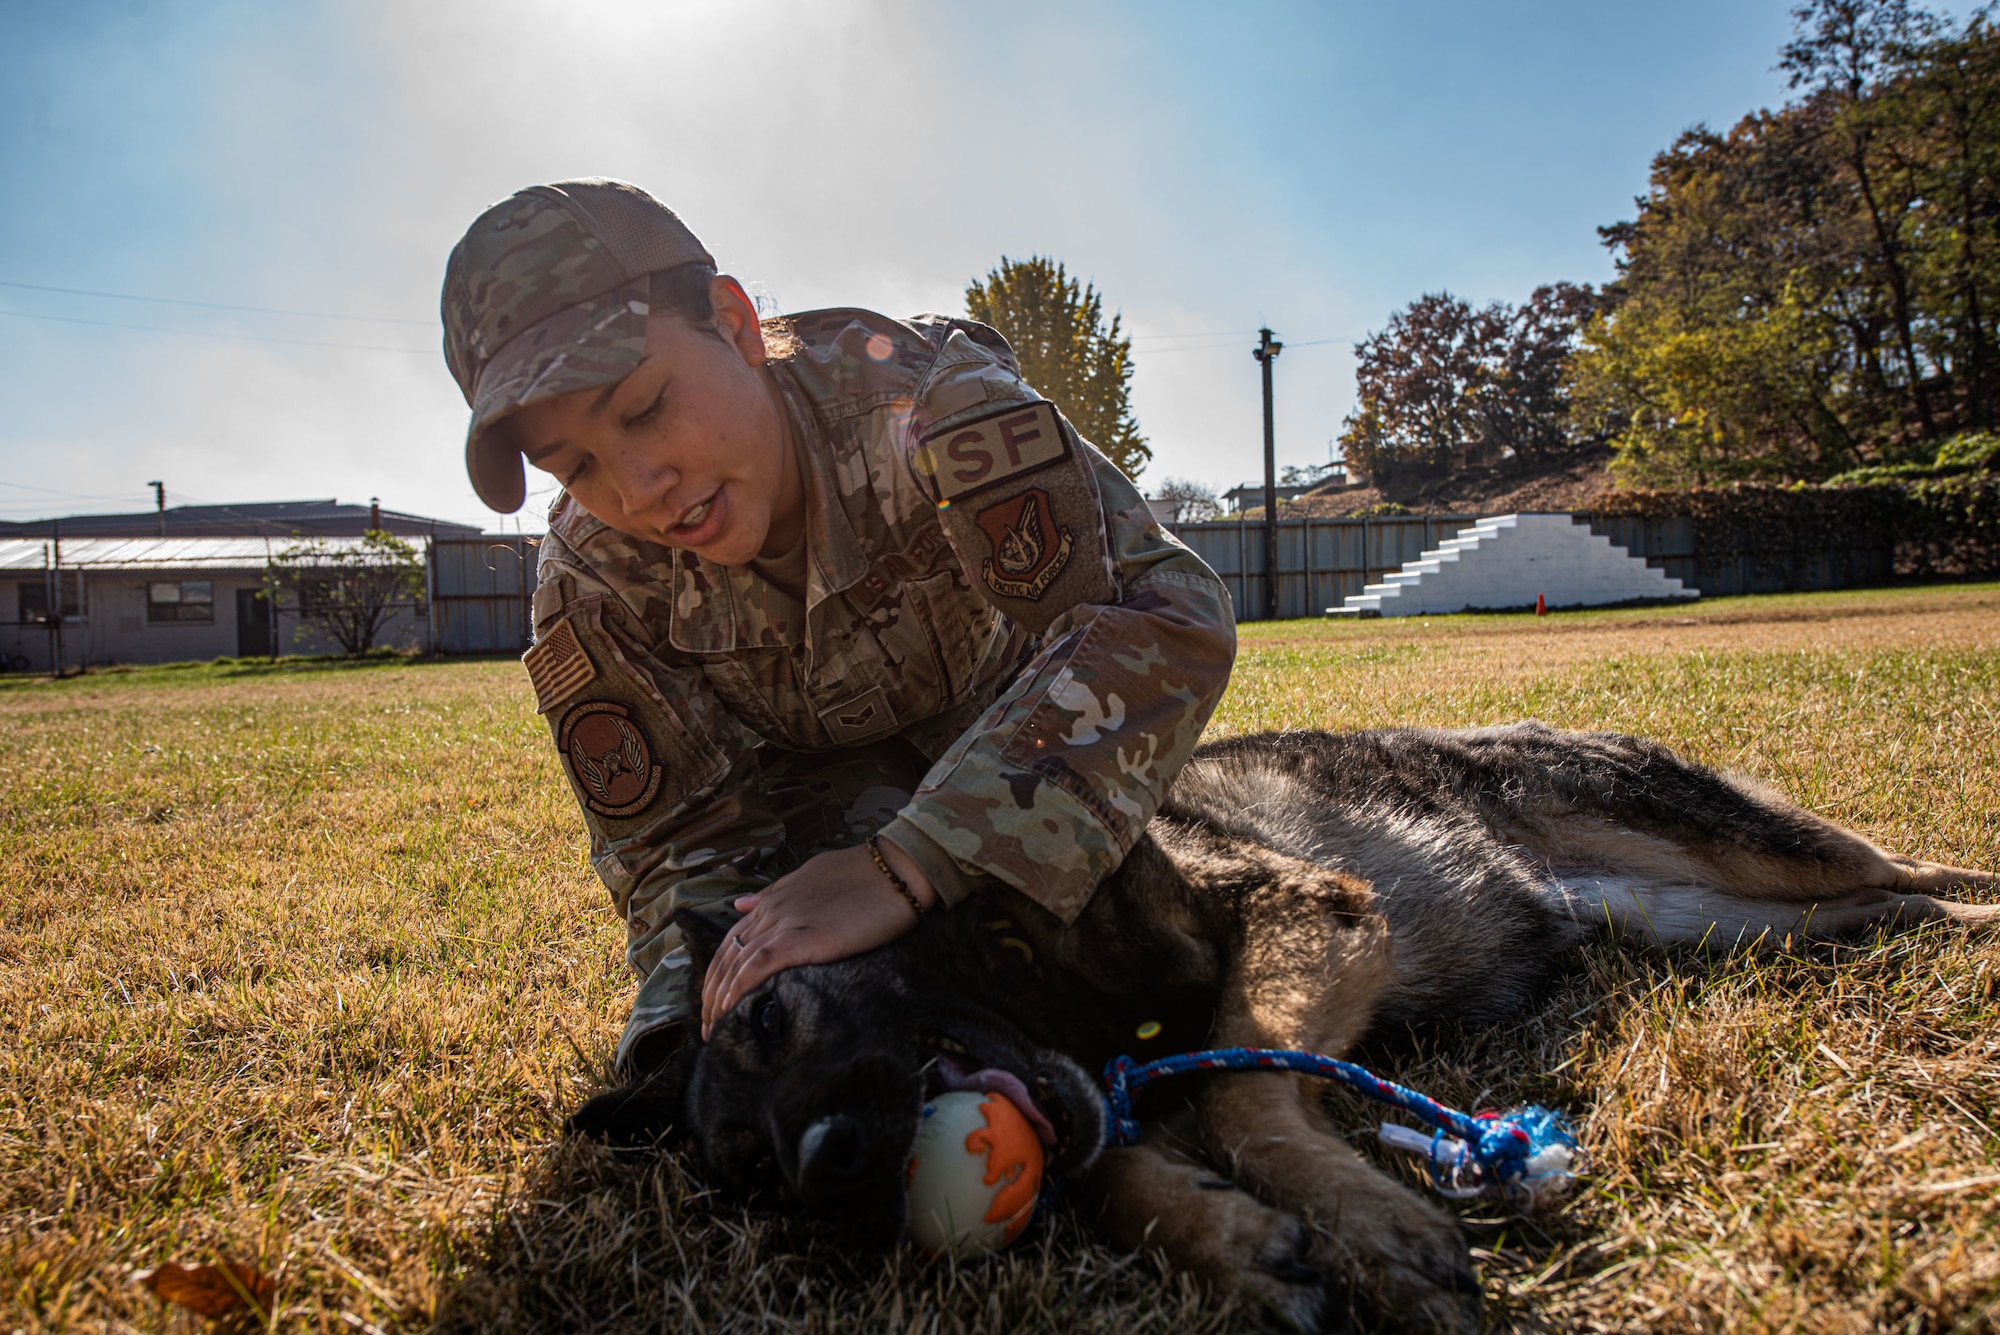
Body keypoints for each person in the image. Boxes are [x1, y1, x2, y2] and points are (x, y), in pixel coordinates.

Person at [440, 179, 1236, 1074]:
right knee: (829, 1007)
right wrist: (692, 1029)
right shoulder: (593, 580)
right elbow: (678, 841)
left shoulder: (927, 406)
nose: (637, 488)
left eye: (645, 408)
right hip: (816, 817)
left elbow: (1165, 610)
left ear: (736, 323)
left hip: (1025, 753)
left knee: (1140, 954)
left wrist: (910, 861)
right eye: (577, 464)